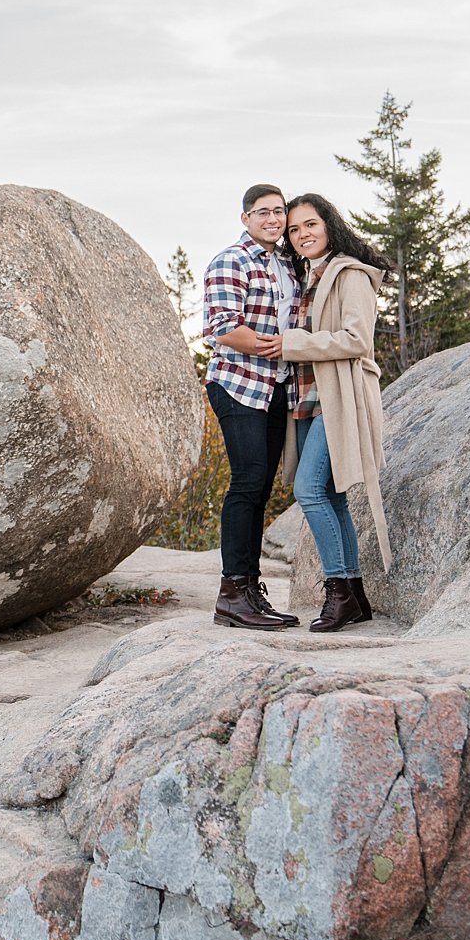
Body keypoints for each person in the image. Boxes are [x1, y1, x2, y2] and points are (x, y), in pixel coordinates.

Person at [275, 193, 396, 632]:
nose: (302, 234)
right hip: (307, 399)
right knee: (332, 495)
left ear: (329, 224)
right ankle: (356, 596)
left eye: (310, 224)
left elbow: (357, 339)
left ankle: (338, 591)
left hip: (338, 398)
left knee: (308, 490)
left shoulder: (350, 274)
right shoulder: (307, 277)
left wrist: (292, 343)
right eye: (294, 229)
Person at [201, 184, 300, 629]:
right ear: (246, 218)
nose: (273, 219)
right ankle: (231, 593)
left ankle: (251, 591)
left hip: (277, 386)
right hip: (238, 383)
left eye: (279, 212)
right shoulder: (231, 260)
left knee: (261, 488)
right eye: (263, 212)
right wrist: (282, 346)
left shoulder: (287, 264)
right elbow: (223, 327)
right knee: (248, 480)